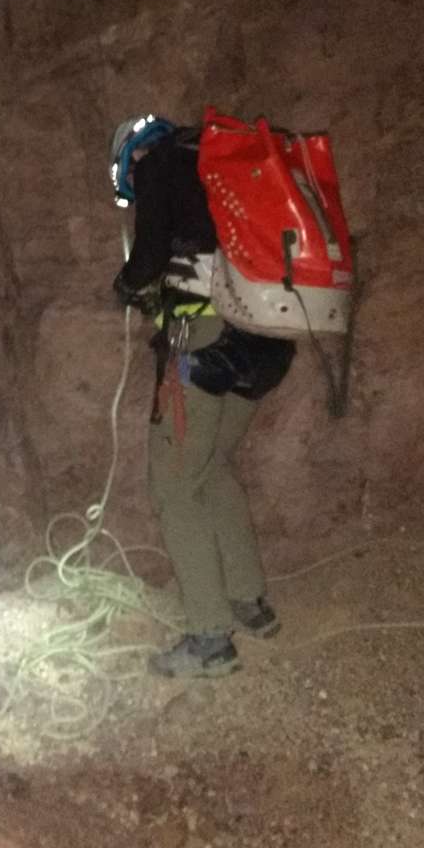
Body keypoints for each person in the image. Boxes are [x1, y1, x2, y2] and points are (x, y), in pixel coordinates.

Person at [109, 114, 295, 677]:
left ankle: (210, 638)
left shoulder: (162, 165)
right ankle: (248, 602)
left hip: (205, 340)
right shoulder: (223, 170)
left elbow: (147, 259)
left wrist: (126, 286)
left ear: (132, 157)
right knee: (211, 466)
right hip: (267, 341)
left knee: (173, 484)